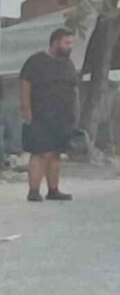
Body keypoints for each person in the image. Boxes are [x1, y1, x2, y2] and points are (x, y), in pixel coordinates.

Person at [20, 28, 79, 202]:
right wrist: (26, 110)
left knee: (56, 153)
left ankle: (53, 190)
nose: (70, 47)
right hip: (40, 116)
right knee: (40, 153)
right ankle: (33, 192)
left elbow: (74, 89)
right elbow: (25, 85)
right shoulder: (36, 61)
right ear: (55, 42)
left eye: (71, 43)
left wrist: (76, 112)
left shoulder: (68, 64)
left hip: (63, 117)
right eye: (67, 43)